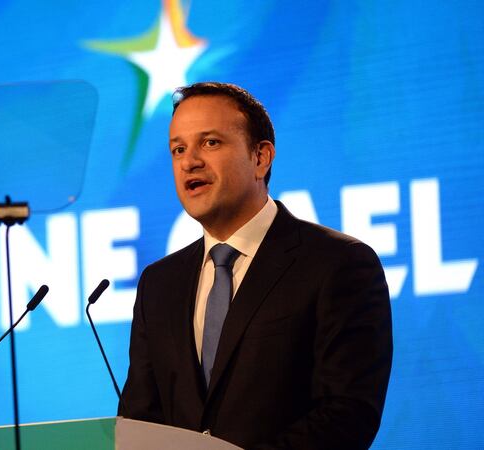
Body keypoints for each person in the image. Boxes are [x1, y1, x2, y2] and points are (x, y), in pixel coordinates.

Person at [119, 82, 393, 449]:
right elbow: (140, 421)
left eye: (210, 142)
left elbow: (347, 413)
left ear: (261, 158)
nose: (189, 162)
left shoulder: (338, 264)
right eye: (178, 149)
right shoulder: (159, 284)